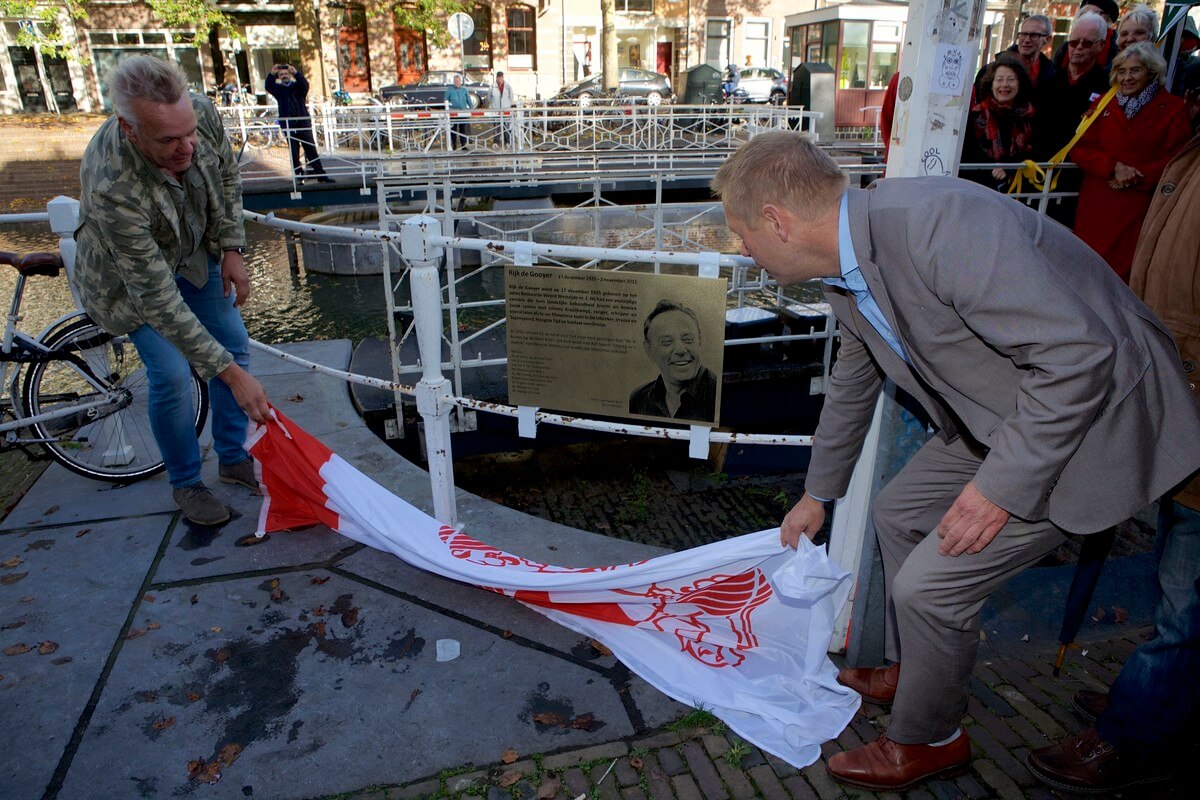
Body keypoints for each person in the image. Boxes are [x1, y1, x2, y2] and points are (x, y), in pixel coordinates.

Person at [710, 130, 1200, 792]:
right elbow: (854, 385)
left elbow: (1080, 356)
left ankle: (929, 737)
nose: (743, 249)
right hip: (1005, 413)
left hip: (1092, 420)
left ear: (777, 221)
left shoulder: (939, 227)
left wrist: (997, 491)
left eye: (742, 232)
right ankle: (919, 673)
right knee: (896, 512)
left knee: (930, 588)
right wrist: (817, 495)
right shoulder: (844, 272)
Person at [1027, 130, 1200, 795]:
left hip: (1186, 394)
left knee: (1188, 595)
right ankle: (1161, 698)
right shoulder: (1185, 150)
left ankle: (1139, 732)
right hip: (1172, 389)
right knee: (1176, 574)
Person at [73, 55, 271, 526]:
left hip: (194, 254)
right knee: (170, 374)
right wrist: (230, 377)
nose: (186, 147)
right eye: (168, 140)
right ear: (129, 129)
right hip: (131, 282)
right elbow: (156, 296)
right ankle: (186, 483)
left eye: (190, 134)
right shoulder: (111, 184)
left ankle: (231, 456)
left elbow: (225, 176)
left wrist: (231, 248)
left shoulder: (198, 112)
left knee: (234, 344)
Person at [1070, 41, 1192, 281]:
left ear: (1152, 72)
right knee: (1087, 274)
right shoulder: (1104, 103)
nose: (1126, 77)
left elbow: (1178, 159)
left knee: (1125, 278)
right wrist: (1113, 167)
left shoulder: (1173, 109)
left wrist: (1136, 176)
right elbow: (1080, 148)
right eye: (1122, 71)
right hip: (1097, 205)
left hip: (1139, 206)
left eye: (1135, 70)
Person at [1042, 11, 1113, 226]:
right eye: (1074, 42)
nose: (1078, 47)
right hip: (1042, 171)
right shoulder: (1050, 81)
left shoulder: (1106, 87)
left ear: (1100, 45)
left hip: (1078, 178)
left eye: (1087, 43)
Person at [627, 300, 717, 423]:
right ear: (649, 350)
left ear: (699, 341)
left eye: (688, 339)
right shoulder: (638, 399)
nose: (680, 350)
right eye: (667, 342)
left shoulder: (718, 393)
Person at [960, 55, 1039, 190]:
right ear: (991, 85)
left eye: (1011, 79)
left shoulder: (1030, 116)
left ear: (1020, 83)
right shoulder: (976, 116)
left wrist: (1009, 166)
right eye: (999, 80)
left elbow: (1036, 150)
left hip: (1018, 191)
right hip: (980, 189)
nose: (1004, 85)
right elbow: (968, 155)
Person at [264, 63, 331, 183]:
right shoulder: (279, 89)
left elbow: (305, 84)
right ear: (279, 77)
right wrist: (272, 74)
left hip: (302, 122)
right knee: (294, 151)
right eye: (281, 74)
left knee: (310, 149)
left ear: (290, 75)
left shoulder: (298, 88)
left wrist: (296, 73)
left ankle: (321, 175)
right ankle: (299, 176)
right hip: (288, 124)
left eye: (286, 74)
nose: (284, 76)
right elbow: (269, 86)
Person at [446, 73, 472, 150]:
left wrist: (472, 109)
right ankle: (453, 144)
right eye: (455, 81)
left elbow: (468, 100)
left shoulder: (464, 90)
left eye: (458, 81)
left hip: (463, 112)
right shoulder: (449, 90)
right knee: (453, 129)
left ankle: (463, 145)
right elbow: (445, 100)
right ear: (453, 82)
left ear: (460, 81)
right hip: (453, 113)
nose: (457, 82)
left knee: (463, 129)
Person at [488, 71, 515, 146]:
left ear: (503, 77)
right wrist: (494, 105)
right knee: (496, 127)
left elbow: (511, 97)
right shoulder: (492, 86)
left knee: (506, 127)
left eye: (501, 77)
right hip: (496, 110)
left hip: (505, 110)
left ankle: (507, 142)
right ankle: (496, 142)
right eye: (498, 77)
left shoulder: (508, 86)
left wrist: (507, 106)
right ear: (496, 77)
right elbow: (489, 97)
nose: (500, 78)